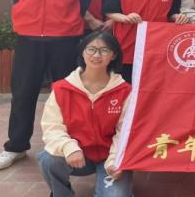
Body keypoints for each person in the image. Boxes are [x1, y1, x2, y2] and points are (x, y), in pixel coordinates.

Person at [0, 0, 96, 171]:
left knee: (67, 95)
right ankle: (16, 146)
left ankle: (70, 144)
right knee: (23, 93)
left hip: (66, 38)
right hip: (29, 39)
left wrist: (66, 20)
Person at [37, 30, 132, 197]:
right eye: (91, 49)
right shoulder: (62, 88)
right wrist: (69, 148)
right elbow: (52, 127)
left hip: (110, 158)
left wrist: (114, 160)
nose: (97, 55)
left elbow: (125, 131)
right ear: (82, 52)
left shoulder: (125, 91)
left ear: (114, 55)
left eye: (104, 50)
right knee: (49, 159)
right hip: (78, 156)